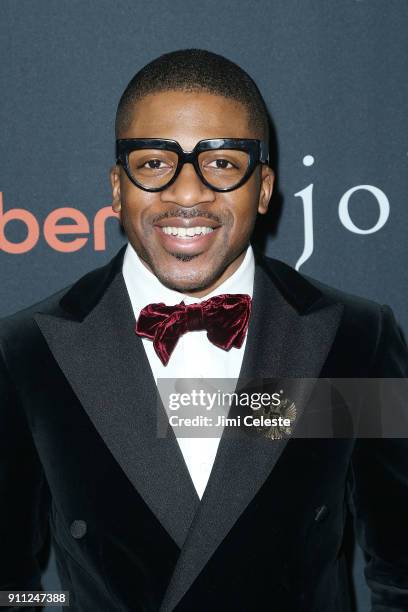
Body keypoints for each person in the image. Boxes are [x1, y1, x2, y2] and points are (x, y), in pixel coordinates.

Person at [1, 48, 407, 612]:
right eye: (152, 163)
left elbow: (402, 564)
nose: (186, 194)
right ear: (117, 188)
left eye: (221, 162)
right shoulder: (27, 351)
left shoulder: (355, 339)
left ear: (263, 188)